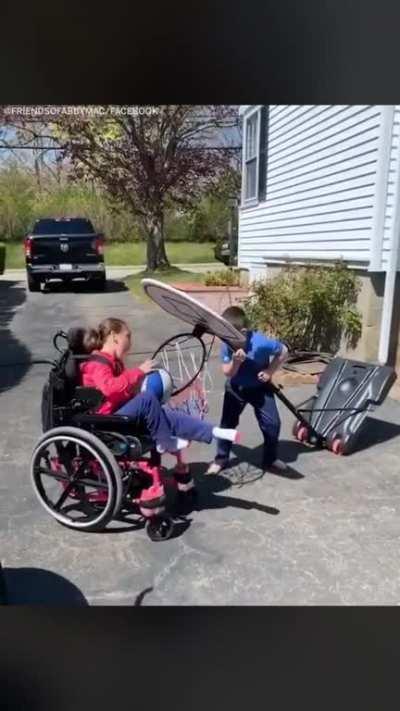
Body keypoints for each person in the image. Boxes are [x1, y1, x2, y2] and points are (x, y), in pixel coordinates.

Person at [79, 317, 241, 458]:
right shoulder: (97, 362)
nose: (130, 342)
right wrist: (139, 371)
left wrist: (135, 387)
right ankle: (164, 442)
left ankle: (214, 432)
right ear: (114, 336)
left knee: (164, 413)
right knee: (147, 399)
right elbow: (109, 388)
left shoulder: (113, 362)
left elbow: (118, 391)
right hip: (105, 420)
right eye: (127, 336)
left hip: (117, 413)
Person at [206, 306, 289, 476]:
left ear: (243, 332)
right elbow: (227, 372)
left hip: (260, 388)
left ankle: (270, 459)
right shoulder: (227, 344)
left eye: (230, 335)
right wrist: (236, 363)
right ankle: (221, 459)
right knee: (227, 425)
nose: (227, 339)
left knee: (272, 424)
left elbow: (283, 351)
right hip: (236, 388)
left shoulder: (261, 343)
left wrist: (269, 371)